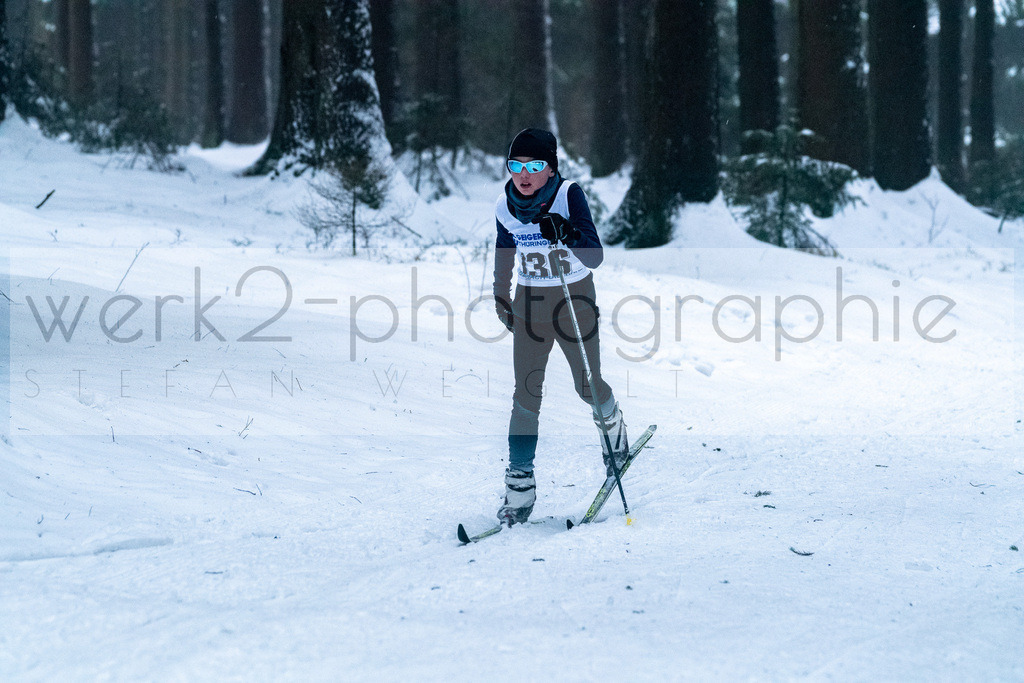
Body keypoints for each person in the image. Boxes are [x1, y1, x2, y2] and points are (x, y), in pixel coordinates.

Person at [492, 127, 629, 526]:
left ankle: (613, 429)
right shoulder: (504, 205)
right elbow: (504, 250)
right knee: (526, 394)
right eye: (516, 165)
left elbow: (595, 256)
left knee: (587, 385)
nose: (524, 174)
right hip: (530, 304)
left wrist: (566, 232)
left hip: (574, 300)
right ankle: (519, 488)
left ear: (550, 168)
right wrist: (501, 296)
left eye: (534, 165)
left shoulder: (569, 194)